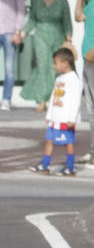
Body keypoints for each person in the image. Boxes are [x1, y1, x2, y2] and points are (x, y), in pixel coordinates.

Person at [19, 0, 72, 112]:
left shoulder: (62, 1)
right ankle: (42, 100)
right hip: (41, 36)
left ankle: (54, 98)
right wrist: (23, 33)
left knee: (55, 68)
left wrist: (68, 39)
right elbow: (32, 20)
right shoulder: (37, 1)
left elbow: (67, 21)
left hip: (57, 36)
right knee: (43, 67)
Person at [29, 46, 80, 176]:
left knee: (68, 142)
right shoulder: (59, 79)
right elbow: (53, 98)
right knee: (49, 140)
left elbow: (76, 100)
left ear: (65, 63)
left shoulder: (74, 80)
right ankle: (44, 165)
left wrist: (72, 118)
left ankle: (70, 167)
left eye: (56, 63)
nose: (54, 66)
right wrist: (49, 115)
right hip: (55, 118)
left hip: (66, 119)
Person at [78, 0, 94, 161]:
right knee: (90, 107)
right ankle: (92, 149)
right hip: (87, 60)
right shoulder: (90, 3)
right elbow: (78, 15)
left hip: (92, 59)